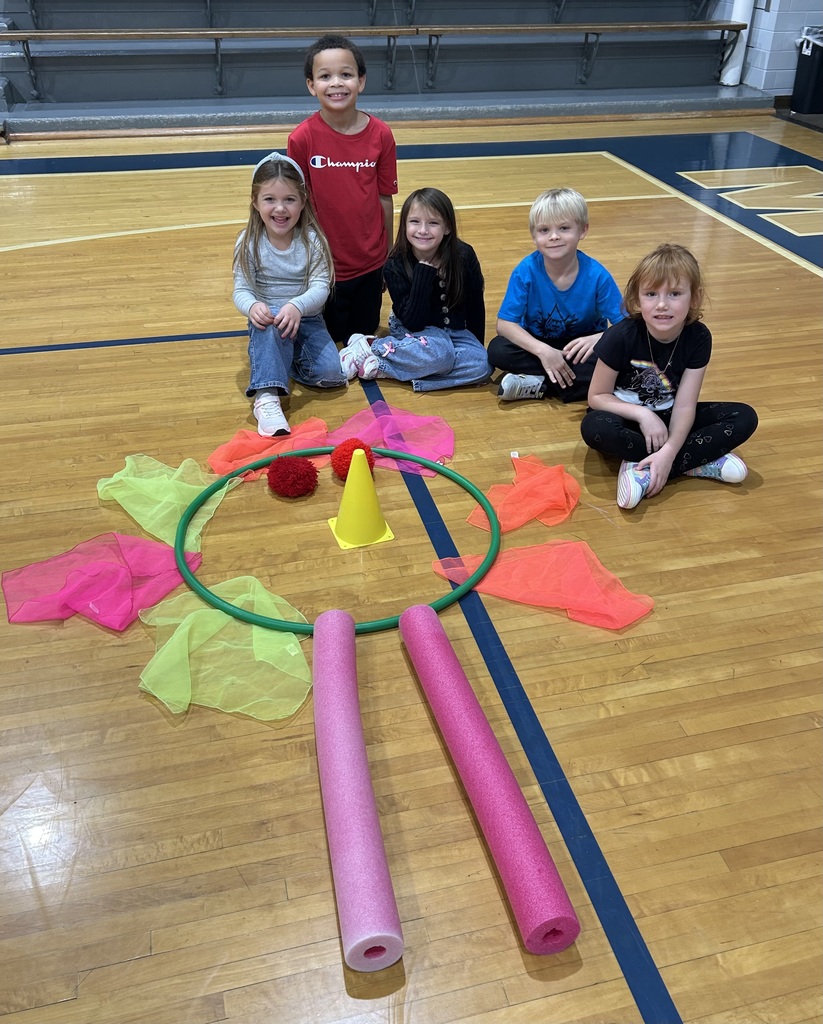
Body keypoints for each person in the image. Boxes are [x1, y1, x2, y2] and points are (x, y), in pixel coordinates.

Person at [580, 243, 758, 510]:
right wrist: (643, 414)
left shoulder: (699, 337)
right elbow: (596, 396)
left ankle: (646, 468)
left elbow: (685, 404)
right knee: (595, 428)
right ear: (637, 299)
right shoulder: (620, 335)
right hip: (626, 417)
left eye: (675, 293)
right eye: (651, 294)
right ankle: (697, 461)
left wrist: (670, 450)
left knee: (744, 417)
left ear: (694, 298)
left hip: (673, 417)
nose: (662, 304)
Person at [287, 33, 398, 344]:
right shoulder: (301, 139)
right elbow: (298, 204)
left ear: (361, 81)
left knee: (364, 334)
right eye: (325, 76)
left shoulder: (381, 135)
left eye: (346, 74)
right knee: (331, 336)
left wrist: (388, 253)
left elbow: (384, 197)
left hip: (370, 263)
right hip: (325, 266)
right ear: (311, 85)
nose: (336, 83)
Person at [232, 152, 346, 437]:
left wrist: (297, 306)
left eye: (289, 200)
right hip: (269, 319)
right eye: (270, 199)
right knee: (269, 331)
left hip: (305, 318)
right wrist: (252, 306)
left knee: (332, 376)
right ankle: (266, 396)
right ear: (255, 202)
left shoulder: (313, 242)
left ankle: (281, 358)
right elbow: (242, 289)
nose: (280, 209)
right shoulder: (248, 242)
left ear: (302, 202)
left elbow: (321, 286)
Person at [338, 187, 491, 392]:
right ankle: (370, 346)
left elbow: (475, 306)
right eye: (415, 222)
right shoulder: (395, 264)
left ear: (447, 227)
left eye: (433, 223)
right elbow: (413, 321)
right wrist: (423, 272)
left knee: (482, 365)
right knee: (442, 354)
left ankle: (386, 366)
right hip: (412, 328)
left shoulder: (463, 255)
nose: (423, 230)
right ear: (404, 225)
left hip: (453, 331)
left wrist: (476, 346)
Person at [489, 187, 624, 403]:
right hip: (539, 343)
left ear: (583, 230)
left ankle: (538, 385)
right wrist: (545, 352)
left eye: (564, 228)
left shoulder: (597, 275)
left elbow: (628, 326)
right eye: (544, 230)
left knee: (622, 358)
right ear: (534, 236)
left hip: (582, 348)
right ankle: (574, 382)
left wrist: (598, 338)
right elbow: (505, 325)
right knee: (498, 350)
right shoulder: (526, 271)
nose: (554, 237)